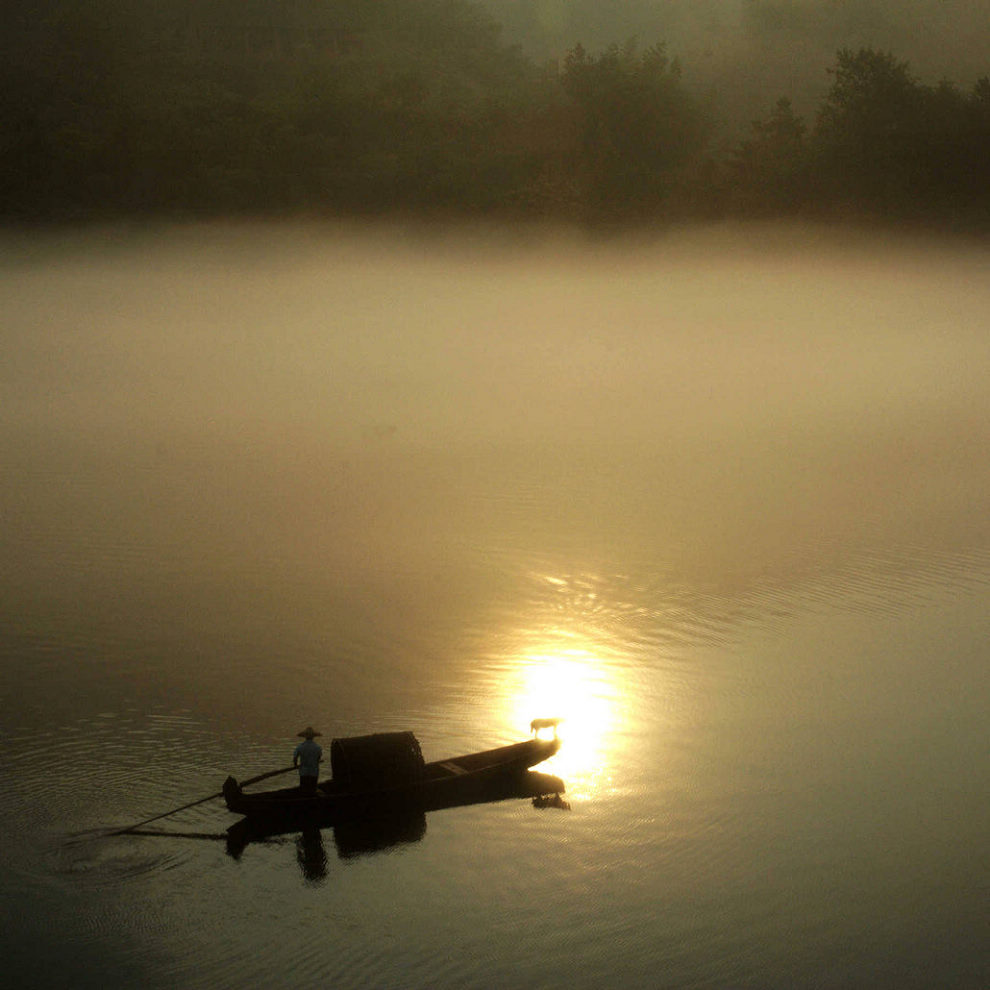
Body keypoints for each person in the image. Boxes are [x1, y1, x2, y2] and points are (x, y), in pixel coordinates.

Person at [293, 726, 323, 794]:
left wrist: (295, 765)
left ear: (305, 736)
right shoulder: (318, 747)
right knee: (313, 789)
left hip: (303, 772)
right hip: (314, 772)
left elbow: (295, 758)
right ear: (313, 737)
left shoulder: (300, 747)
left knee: (303, 789)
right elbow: (318, 758)